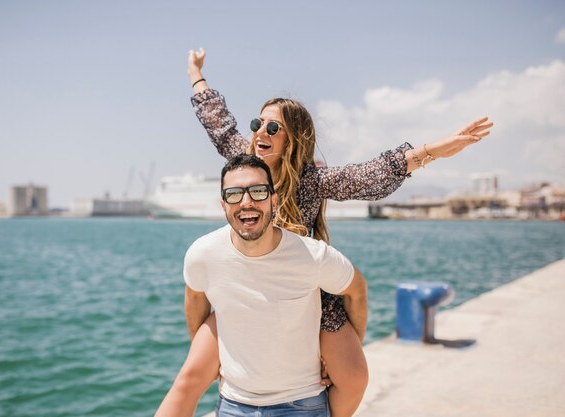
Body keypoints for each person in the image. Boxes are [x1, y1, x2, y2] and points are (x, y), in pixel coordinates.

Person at [156, 48, 493, 417]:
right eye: (258, 124)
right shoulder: (243, 159)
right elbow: (216, 120)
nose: (259, 133)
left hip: (307, 291)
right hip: (247, 287)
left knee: (352, 377)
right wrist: (195, 73)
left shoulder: (312, 180)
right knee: (190, 377)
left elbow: (372, 173)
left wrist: (435, 150)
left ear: (293, 139)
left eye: (273, 127)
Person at [180, 154, 366, 416]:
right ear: (223, 205)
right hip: (233, 403)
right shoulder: (202, 254)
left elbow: (356, 290)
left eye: (257, 192)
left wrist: (347, 350)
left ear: (273, 200)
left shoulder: (312, 256)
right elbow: (195, 296)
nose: (246, 202)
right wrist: (204, 353)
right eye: (234, 194)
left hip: (301, 403)